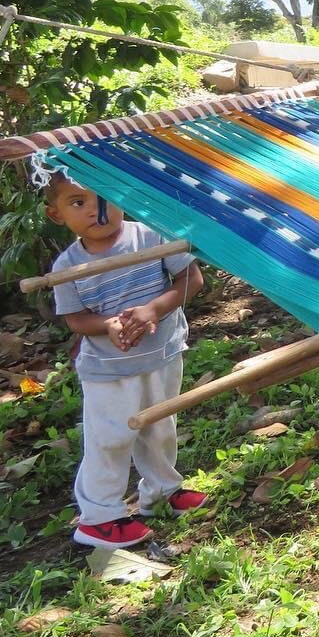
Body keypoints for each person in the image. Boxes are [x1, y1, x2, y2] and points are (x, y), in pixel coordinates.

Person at [45, 175, 208, 550]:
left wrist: (154, 308)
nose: (94, 210)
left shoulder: (150, 236)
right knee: (111, 439)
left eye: (103, 197)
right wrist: (108, 325)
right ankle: (99, 518)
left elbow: (191, 279)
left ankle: (162, 492)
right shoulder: (66, 267)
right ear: (57, 215)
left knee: (159, 426)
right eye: (77, 202)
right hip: (109, 370)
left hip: (162, 353)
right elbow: (75, 320)